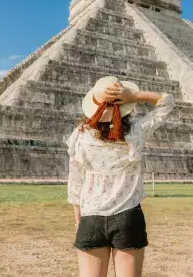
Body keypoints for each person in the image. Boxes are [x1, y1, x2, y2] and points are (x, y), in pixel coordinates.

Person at [67, 75, 175, 277]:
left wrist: (77, 222)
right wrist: (133, 94)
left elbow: (75, 185)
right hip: (128, 215)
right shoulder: (136, 131)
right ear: (126, 107)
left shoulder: (80, 136)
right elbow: (166, 102)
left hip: (91, 218)